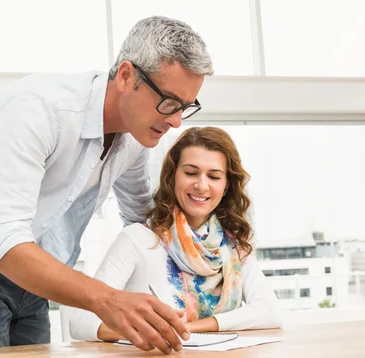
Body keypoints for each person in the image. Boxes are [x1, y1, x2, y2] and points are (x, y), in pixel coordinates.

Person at [0, 16, 213, 358]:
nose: (175, 120)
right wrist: (109, 300)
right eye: (168, 102)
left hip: (38, 272)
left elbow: (142, 216)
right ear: (125, 75)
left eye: (186, 106)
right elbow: (1, 239)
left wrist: (201, 261)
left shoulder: (136, 138)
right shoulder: (39, 109)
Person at [70, 127, 282, 343]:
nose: (201, 185)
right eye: (190, 173)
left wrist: (188, 328)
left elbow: (269, 311)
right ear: (172, 177)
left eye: (214, 176)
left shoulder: (233, 247)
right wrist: (148, 332)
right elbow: (80, 321)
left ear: (226, 186)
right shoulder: (136, 240)